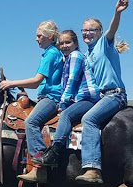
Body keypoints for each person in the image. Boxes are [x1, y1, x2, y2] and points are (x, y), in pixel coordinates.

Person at [0, 20, 63, 183]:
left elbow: (36, 82)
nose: (36, 39)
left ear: (49, 36)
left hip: (52, 98)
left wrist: (11, 83)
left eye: (39, 35)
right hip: (47, 96)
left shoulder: (51, 54)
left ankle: (39, 164)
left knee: (31, 122)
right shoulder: (52, 53)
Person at [75, 0, 130, 184]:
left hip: (114, 94)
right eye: (84, 30)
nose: (87, 33)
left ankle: (92, 168)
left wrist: (117, 12)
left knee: (89, 119)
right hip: (98, 97)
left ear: (99, 32)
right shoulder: (85, 54)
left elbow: (112, 29)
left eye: (92, 30)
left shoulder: (104, 45)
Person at [32, 30, 100, 169]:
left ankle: (54, 151)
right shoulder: (68, 58)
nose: (64, 46)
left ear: (75, 43)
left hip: (87, 96)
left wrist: (63, 103)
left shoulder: (75, 56)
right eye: (61, 43)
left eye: (68, 42)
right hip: (80, 98)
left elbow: (72, 81)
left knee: (65, 115)